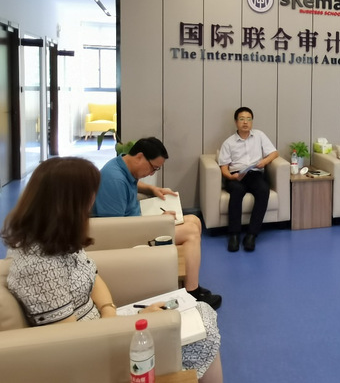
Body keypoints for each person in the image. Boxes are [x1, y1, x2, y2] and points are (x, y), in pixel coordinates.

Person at [1, 157, 224, 382]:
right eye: (89, 196)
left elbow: (93, 276)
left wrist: (110, 313)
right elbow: (70, 339)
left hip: (104, 326)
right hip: (94, 349)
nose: (92, 202)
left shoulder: (58, 239)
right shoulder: (39, 268)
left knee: (200, 312)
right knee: (203, 330)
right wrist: (128, 323)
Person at [92, 137, 222, 309]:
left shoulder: (122, 165)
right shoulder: (114, 179)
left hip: (136, 223)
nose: (152, 174)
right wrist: (157, 222)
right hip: (127, 236)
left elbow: (131, 184)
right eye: (153, 168)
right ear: (140, 157)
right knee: (191, 232)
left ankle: (189, 283)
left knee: (194, 220)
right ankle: (192, 292)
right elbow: (115, 230)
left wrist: (152, 189)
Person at [218, 107, 279, 253]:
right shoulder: (229, 143)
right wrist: (230, 177)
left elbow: (274, 153)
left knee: (263, 190)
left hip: (254, 174)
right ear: (236, 122)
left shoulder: (259, 135)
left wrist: (264, 162)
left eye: (248, 119)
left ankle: (251, 235)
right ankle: (234, 235)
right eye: (242, 119)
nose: (245, 122)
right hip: (236, 175)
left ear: (252, 121)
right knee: (237, 191)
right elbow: (224, 167)